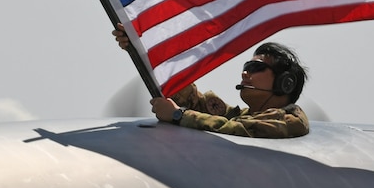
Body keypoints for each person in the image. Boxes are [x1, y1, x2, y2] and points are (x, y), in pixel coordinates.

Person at [113, 23, 310, 138]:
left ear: (285, 83)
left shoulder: (289, 121)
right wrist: (142, 49)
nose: (244, 74)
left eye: (255, 68)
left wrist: (178, 115)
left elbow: (236, 129)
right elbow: (196, 102)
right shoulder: (242, 116)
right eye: (246, 67)